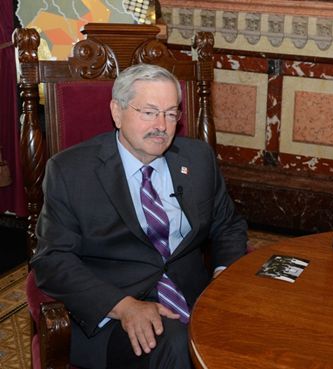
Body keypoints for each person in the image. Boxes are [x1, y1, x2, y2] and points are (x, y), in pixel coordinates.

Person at [30, 64, 248, 369]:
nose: (162, 125)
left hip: (195, 296)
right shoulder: (70, 171)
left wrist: (224, 274)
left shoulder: (198, 159)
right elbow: (51, 260)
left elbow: (228, 225)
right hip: (117, 314)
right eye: (149, 112)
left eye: (171, 114)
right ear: (117, 112)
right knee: (176, 346)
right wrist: (123, 307)